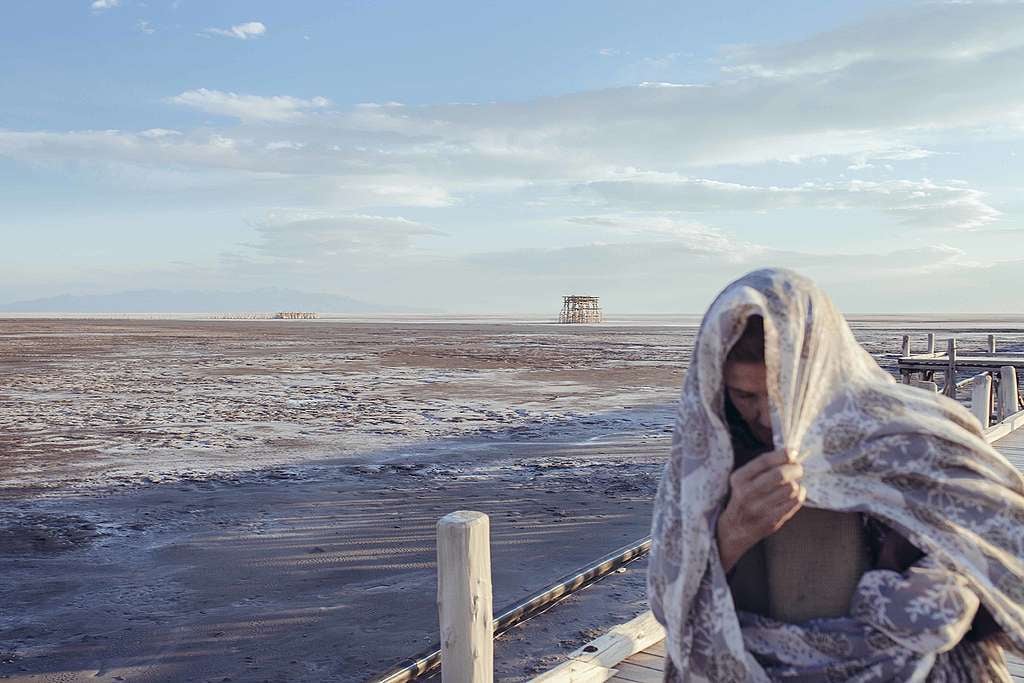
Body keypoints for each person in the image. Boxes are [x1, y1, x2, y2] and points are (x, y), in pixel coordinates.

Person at [647, 268, 1024, 682]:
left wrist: (914, 565)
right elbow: (670, 606)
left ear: (820, 372)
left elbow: (1006, 561)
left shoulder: (913, 437)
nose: (766, 419)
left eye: (782, 394)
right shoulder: (704, 463)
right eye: (745, 396)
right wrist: (731, 534)